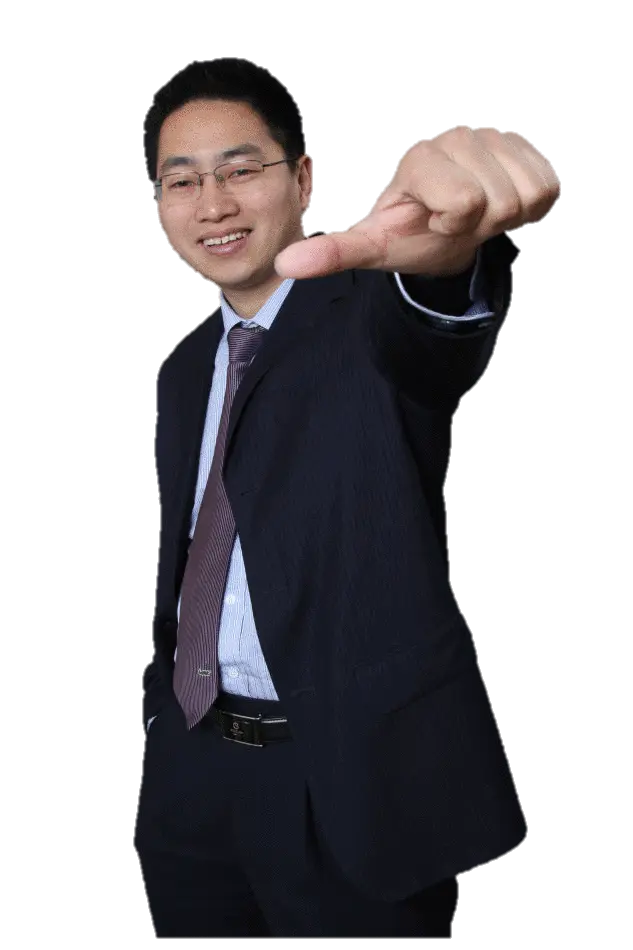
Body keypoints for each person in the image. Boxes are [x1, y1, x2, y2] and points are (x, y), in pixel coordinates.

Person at [132, 55, 560, 944]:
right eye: (183, 181)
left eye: (240, 170)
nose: (212, 204)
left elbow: (431, 337)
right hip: (191, 771)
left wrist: (445, 260)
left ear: (302, 179)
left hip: (348, 785)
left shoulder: (369, 318)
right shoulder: (180, 369)